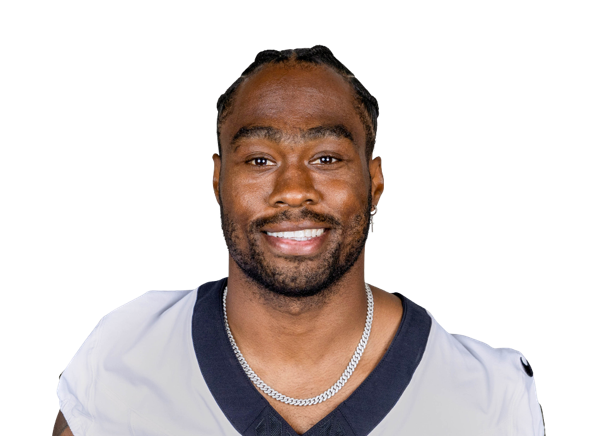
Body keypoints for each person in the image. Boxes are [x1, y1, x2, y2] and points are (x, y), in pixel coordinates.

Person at [53, 46, 545, 435]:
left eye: (326, 158)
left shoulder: (492, 398)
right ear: (217, 179)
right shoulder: (124, 354)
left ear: (374, 180)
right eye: (259, 160)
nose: (293, 190)